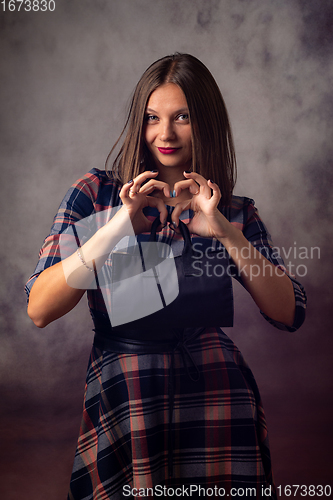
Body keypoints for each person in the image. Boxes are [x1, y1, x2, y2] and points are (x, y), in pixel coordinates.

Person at [25, 53, 306, 499]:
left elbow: (288, 312)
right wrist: (119, 225)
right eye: (153, 118)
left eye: (182, 117)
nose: (165, 133)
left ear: (206, 123)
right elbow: (39, 308)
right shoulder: (95, 194)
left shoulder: (233, 209)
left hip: (217, 402)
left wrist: (225, 232)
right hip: (128, 398)